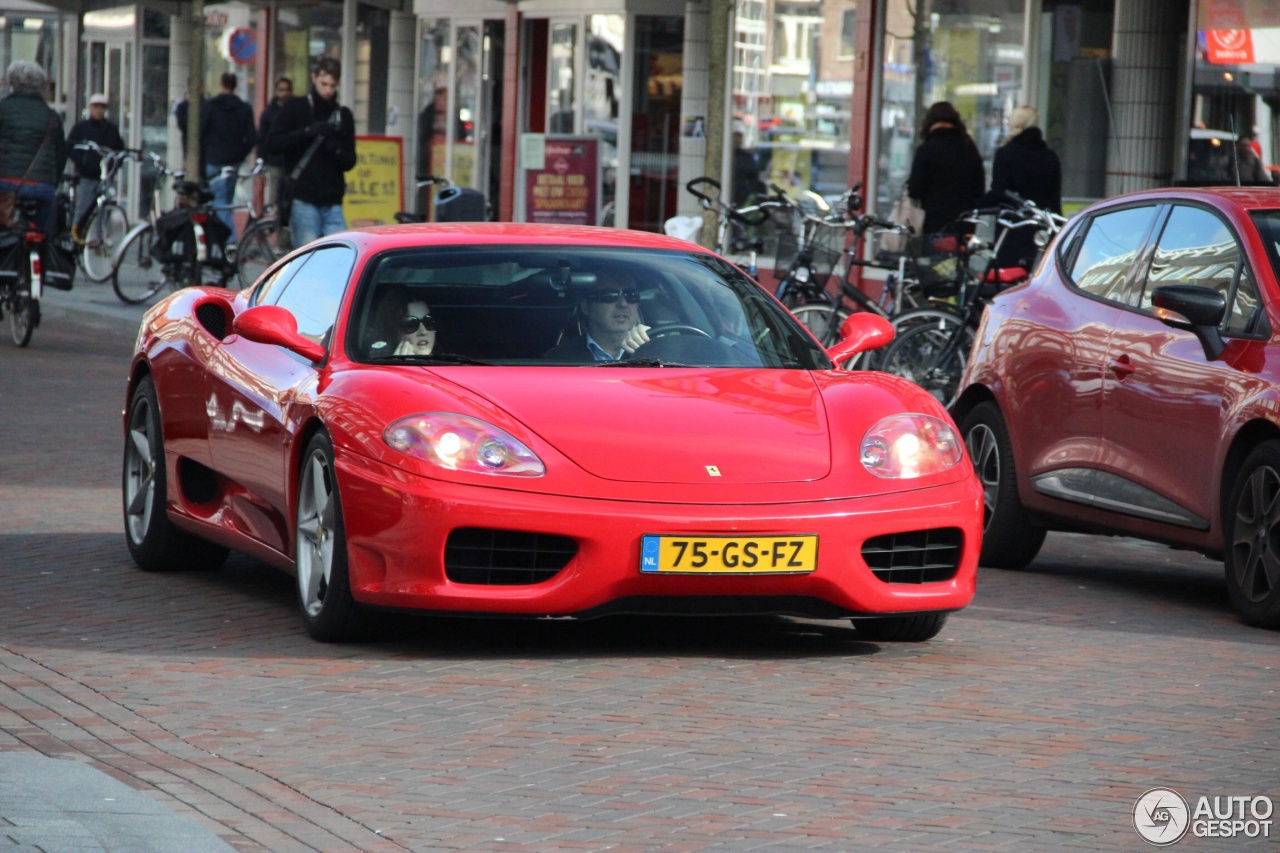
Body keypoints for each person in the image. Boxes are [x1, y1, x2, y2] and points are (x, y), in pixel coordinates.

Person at [262, 56, 357, 246]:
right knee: (309, 253)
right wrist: (306, 132)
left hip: (333, 200)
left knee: (341, 254)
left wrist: (335, 148)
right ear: (314, 78)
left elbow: (350, 161)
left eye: (332, 85)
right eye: (324, 84)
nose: (328, 90)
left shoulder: (342, 115)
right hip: (303, 198)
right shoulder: (295, 108)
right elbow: (272, 143)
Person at [984, 105, 1062, 268]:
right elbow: (1054, 197)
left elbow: (998, 192)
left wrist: (975, 204)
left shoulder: (1005, 153)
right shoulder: (1050, 157)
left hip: (1012, 226)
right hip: (1041, 228)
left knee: (1009, 274)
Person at [0, 60, 67, 238]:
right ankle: (40, 249)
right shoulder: (52, 116)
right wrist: (51, 181)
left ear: (12, 82)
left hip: (5, 185)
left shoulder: (2, 109)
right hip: (42, 186)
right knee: (43, 233)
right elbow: (61, 155)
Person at [906, 101, 985, 237]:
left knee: (935, 251)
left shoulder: (926, 149)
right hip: (965, 223)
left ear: (929, 122)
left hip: (934, 224)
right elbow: (979, 189)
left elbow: (915, 190)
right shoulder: (969, 147)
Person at [543, 267, 652, 362]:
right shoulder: (557, 359)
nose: (623, 304)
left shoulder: (654, 349)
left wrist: (652, 341)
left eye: (631, 295)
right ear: (586, 306)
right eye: (609, 295)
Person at [201, 72, 256, 241]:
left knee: (219, 201)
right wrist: (239, 155)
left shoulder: (210, 106)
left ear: (221, 83)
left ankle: (229, 240)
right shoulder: (244, 108)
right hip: (233, 161)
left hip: (214, 159)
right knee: (226, 199)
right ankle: (222, 239)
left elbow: (201, 132)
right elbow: (252, 137)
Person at [66, 93, 124, 236]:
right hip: (86, 176)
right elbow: (69, 147)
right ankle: (77, 237)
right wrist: (82, 161)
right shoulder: (81, 128)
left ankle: (99, 239)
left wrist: (113, 168)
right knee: (83, 209)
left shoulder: (111, 130)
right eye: (95, 106)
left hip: (105, 177)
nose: (98, 110)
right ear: (90, 108)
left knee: (104, 210)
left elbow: (119, 151)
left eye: (102, 107)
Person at [366, 287, 436, 357]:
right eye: (411, 324)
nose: (423, 332)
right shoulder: (374, 362)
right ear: (393, 330)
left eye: (428, 322)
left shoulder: (442, 361)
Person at [257, 76, 293, 213]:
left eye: (287, 90)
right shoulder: (269, 112)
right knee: (275, 194)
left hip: (292, 161)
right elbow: (262, 137)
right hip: (275, 161)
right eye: (281, 90)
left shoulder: (295, 110)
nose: (284, 93)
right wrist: (262, 159)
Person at [731, 131, 765, 206]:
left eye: (738, 139)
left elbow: (753, 173)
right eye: (735, 139)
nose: (737, 142)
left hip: (741, 192)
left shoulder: (745, 156)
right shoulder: (729, 156)